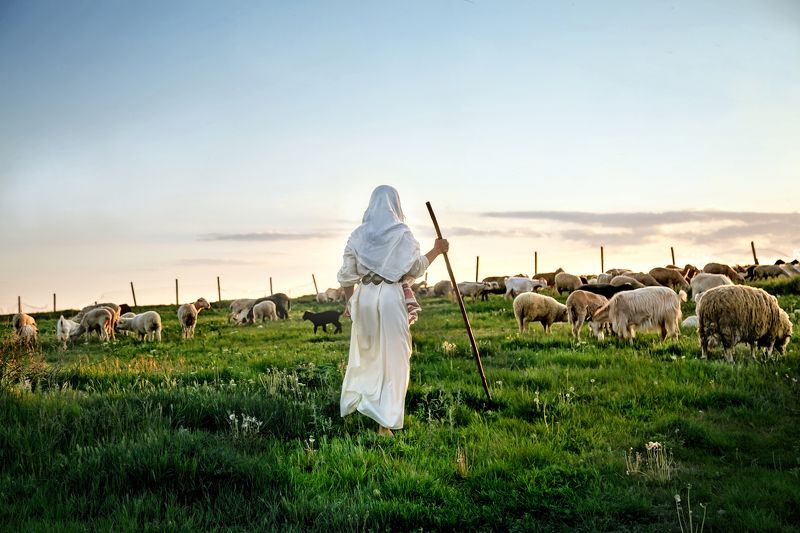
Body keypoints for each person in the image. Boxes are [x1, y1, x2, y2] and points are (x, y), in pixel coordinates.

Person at [337, 185, 448, 436]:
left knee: (368, 354)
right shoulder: (402, 234)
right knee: (395, 357)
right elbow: (417, 267)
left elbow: (346, 276)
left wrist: (350, 303)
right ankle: (384, 424)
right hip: (389, 296)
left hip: (364, 297)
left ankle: (365, 405)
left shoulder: (358, 235)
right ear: (396, 205)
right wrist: (438, 250)